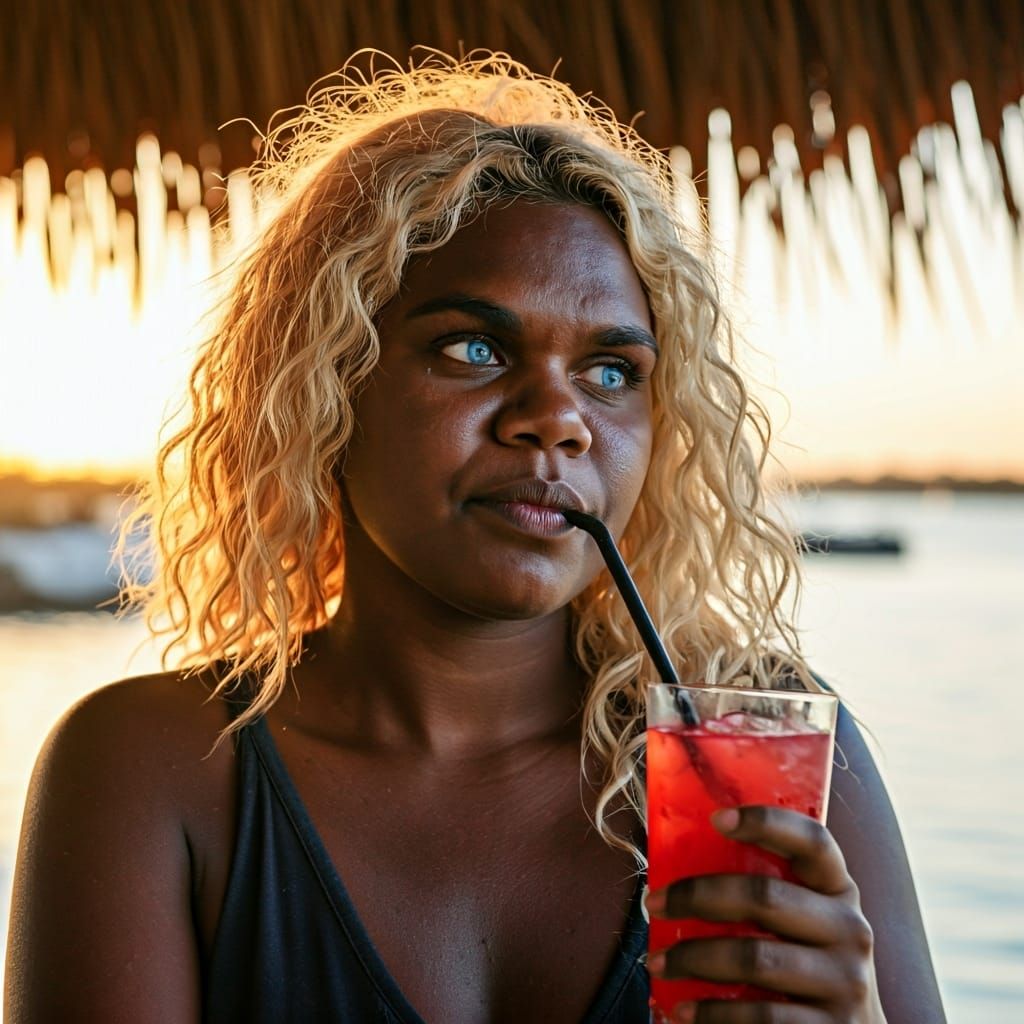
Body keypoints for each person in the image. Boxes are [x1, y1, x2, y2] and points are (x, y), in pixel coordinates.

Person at [4, 52, 945, 1023]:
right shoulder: (149, 769)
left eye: (612, 370)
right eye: (475, 348)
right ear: (331, 386)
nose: (558, 417)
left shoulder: (766, 742)